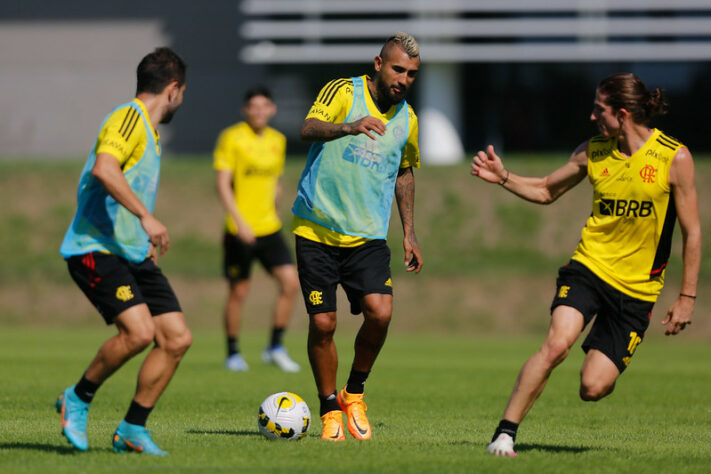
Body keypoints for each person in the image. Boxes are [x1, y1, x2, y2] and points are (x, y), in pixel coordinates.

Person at [471, 73, 701, 457]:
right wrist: (503, 177)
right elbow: (546, 189)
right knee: (557, 344)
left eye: (600, 110)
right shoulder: (592, 151)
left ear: (623, 114)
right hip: (588, 270)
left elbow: (692, 233)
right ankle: (505, 434)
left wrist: (687, 297)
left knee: (592, 387)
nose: (593, 117)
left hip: (636, 292)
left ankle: (598, 357)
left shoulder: (675, 158)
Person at [56, 47, 192, 456]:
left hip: (132, 253)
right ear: (173, 89)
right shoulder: (127, 117)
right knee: (139, 333)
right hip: (95, 248)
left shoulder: (149, 133)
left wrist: (142, 234)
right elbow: (105, 168)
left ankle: (132, 428)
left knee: (176, 338)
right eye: (183, 92)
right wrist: (148, 218)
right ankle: (77, 398)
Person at [291, 32, 424, 442]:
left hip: (367, 236)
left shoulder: (409, 120)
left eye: (412, 74)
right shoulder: (343, 91)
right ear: (379, 63)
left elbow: (404, 172)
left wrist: (409, 233)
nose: (403, 79)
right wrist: (349, 127)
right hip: (317, 229)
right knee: (323, 323)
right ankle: (330, 407)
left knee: (380, 313)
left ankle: (354, 393)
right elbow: (308, 128)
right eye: (398, 68)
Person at [213, 87, 301, 373]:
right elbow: (223, 184)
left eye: (265, 106)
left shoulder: (278, 140)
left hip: (269, 227)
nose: (259, 111)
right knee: (239, 291)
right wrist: (239, 222)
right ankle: (233, 352)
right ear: (245, 110)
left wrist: (276, 201)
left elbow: (276, 179)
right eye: (254, 106)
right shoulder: (232, 138)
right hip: (240, 229)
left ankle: (275, 346)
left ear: (272, 109)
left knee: (291, 283)